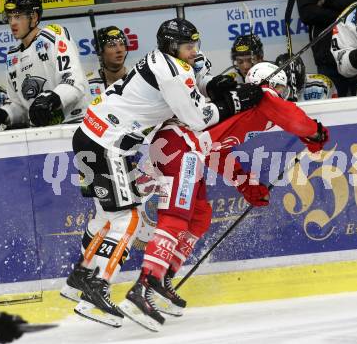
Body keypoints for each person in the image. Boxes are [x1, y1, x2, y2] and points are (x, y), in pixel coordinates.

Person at [61, 17, 263, 327]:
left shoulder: (171, 62)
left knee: (106, 216)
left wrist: (214, 86)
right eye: (187, 45)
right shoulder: (172, 71)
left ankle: (80, 277)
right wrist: (233, 101)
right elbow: (195, 117)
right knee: (125, 218)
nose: (194, 50)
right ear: (171, 46)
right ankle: (97, 285)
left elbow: (194, 85)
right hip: (108, 144)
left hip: (92, 136)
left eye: (196, 44)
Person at [117, 61, 329, 332]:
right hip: (182, 150)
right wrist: (315, 132)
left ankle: (162, 277)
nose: (282, 92)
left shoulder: (248, 108)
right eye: (281, 87)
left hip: (181, 148)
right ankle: (143, 286)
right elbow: (292, 117)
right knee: (176, 217)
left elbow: (217, 152)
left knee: (200, 215)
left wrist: (246, 184)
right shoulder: (263, 96)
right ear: (272, 84)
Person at [0, 0, 88, 129]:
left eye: (17, 16)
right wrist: (3, 114)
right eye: (9, 17)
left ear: (33, 17)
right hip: (41, 132)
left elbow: (74, 81)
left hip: (75, 124)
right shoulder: (12, 57)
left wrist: (51, 99)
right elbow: (20, 107)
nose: (12, 23)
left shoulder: (53, 35)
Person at [294, 0, 357, 96]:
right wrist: (344, 15)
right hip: (327, 58)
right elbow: (307, 13)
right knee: (330, 108)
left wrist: (328, 1)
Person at [87, 26, 128, 96]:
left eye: (121, 44)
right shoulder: (87, 83)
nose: (119, 50)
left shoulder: (137, 77)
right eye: (112, 45)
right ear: (99, 51)